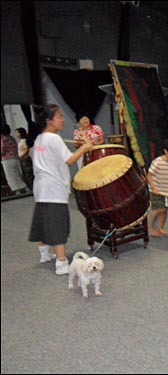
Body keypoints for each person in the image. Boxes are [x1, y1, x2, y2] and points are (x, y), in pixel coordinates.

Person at [28, 104, 93, 274]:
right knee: (57, 226)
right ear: (50, 121)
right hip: (53, 188)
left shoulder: (39, 139)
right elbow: (69, 160)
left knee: (44, 222)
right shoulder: (54, 138)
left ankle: (44, 254)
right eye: (60, 117)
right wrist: (85, 148)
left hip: (42, 188)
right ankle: (62, 263)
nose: (63, 120)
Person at [146, 139, 168, 238]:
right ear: (166, 151)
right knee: (159, 209)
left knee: (165, 210)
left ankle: (160, 227)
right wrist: (153, 187)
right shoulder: (157, 162)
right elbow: (149, 176)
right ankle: (151, 228)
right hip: (156, 190)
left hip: (167, 191)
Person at [1, 124, 28, 194]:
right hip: (15, 158)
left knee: (10, 176)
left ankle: (17, 190)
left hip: (7, 159)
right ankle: (24, 187)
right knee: (17, 175)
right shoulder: (11, 138)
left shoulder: (3, 139)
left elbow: (3, 150)